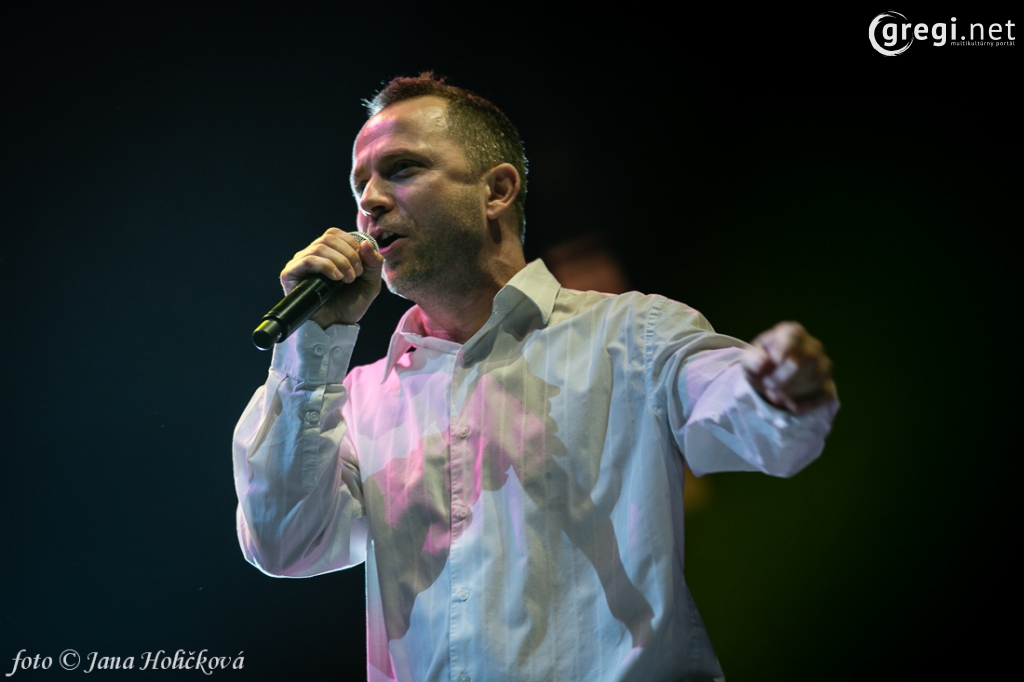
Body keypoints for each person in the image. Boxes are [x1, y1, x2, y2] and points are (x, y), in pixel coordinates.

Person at [233, 73, 838, 682]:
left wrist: (772, 389)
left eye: (402, 169)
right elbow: (286, 545)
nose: (369, 202)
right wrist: (313, 346)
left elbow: (741, 412)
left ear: (497, 190)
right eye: (359, 184)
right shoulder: (357, 399)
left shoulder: (634, 335)